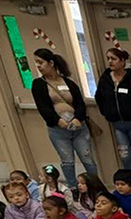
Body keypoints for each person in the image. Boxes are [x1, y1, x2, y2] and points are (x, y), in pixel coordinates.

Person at [32, 48, 98, 187]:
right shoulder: (38, 84)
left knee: (87, 158)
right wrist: (57, 120)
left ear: (51, 63)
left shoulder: (69, 83)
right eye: (36, 62)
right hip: (58, 130)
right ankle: (73, 187)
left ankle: (95, 185)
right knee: (67, 161)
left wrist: (78, 119)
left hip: (78, 128)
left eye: (40, 62)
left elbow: (80, 103)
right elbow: (43, 107)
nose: (38, 66)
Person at [94, 48, 131, 183]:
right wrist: (107, 112)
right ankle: (130, 181)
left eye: (114, 59)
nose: (110, 61)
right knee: (124, 155)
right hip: (117, 124)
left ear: (122, 62)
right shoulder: (105, 79)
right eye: (108, 58)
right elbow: (99, 98)